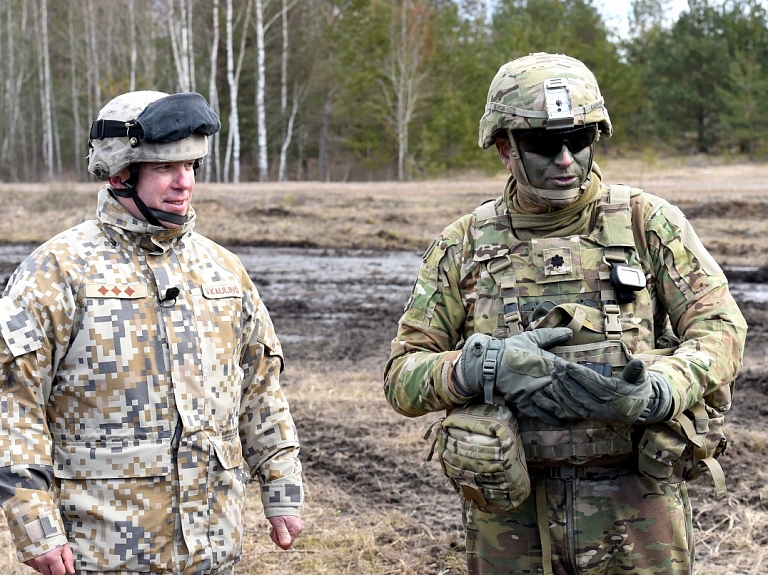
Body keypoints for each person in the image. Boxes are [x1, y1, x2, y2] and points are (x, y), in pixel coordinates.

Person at [384, 52, 747, 574]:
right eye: (542, 143)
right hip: (511, 521)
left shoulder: (649, 223)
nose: (565, 159)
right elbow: (402, 376)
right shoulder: (463, 244)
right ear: (505, 147)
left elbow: (722, 330)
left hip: (637, 512)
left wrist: (661, 387)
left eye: (578, 140)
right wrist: (479, 366)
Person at [0, 90, 304, 575]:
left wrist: (282, 486)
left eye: (192, 166)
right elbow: (14, 406)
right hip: (101, 552)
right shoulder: (57, 271)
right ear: (120, 172)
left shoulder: (223, 271)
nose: (184, 183)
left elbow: (261, 387)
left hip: (212, 548)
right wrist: (34, 522)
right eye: (166, 168)